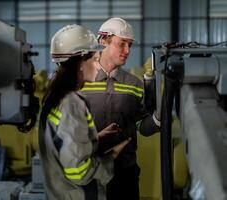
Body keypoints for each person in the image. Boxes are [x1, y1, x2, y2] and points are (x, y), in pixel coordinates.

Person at [38, 24, 130, 200]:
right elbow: (79, 172)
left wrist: (97, 137)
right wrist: (112, 157)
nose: (98, 66)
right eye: (95, 59)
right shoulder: (71, 104)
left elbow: (62, 141)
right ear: (80, 63)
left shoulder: (55, 97)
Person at [80, 17, 161, 200]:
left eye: (130, 45)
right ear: (103, 41)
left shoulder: (134, 84)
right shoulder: (80, 81)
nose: (127, 50)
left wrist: (159, 110)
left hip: (124, 174)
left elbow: (143, 126)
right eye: (122, 43)